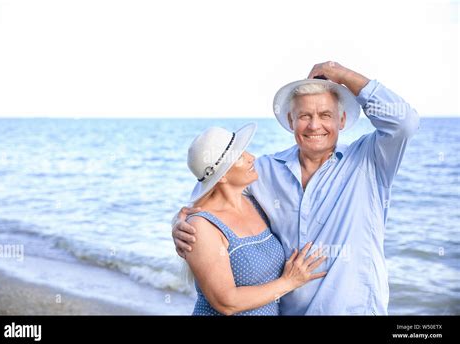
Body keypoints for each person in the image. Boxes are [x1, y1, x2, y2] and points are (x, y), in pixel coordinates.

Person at [172, 61, 420, 315]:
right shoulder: (266, 171)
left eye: (325, 115)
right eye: (304, 116)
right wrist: (183, 226)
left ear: (342, 120)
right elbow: (217, 199)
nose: (314, 125)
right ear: (291, 121)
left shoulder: (369, 161)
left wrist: (342, 75)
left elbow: (404, 122)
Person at [183, 123, 326, 315]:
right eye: (241, 156)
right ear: (222, 176)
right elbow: (226, 302)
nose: (252, 158)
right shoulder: (202, 226)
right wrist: (288, 282)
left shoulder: (256, 204)